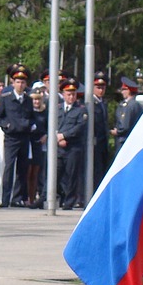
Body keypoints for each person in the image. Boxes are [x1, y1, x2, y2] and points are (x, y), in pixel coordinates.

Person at [0, 66, 33, 208]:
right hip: (11, 138)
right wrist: (6, 125)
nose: (20, 85)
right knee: (9, 167)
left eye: (22, 82)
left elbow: (32, 116)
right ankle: (5, 199)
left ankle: (17, 198)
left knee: (22, 168)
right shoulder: (6, 99)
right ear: (13, 83)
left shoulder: (28, 100)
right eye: (17, 82)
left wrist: (30, 124)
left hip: (24, 137)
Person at [55, 78, 86, 210]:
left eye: (73, 94)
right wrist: (57, 137)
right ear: (63, 94)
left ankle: (69, 202)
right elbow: (51, 124)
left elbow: (79, 127)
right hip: (58, 147)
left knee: (71, 176)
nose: (71, 96)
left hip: (73, 147)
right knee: (55, 174)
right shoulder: (58, 108)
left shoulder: (81, 110)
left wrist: (64, 136)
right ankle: (50, 197)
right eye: (68, 93)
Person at [89, 72, 110, 185]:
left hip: (102, 142)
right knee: (95, 171)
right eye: (98, 88)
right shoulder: (90, 103)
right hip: (94, 142)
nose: (101, 91)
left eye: (103, 88)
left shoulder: (103, 103)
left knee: (102, 169)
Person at [111, 76, 141, 152]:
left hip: (123, 140)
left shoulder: (129, 106)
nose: (122, 92)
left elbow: (125, 125)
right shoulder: (136, 104)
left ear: (129, 90)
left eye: (124, 89)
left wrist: (117, 131)